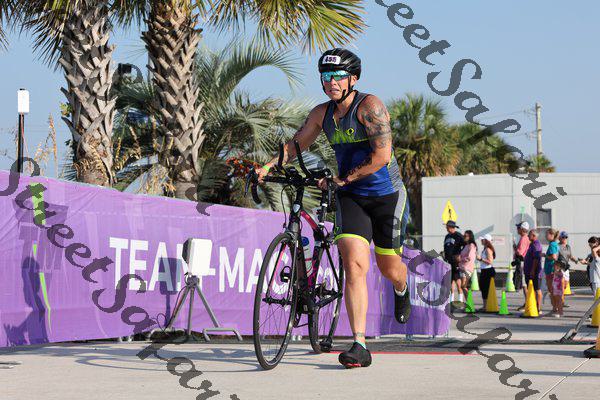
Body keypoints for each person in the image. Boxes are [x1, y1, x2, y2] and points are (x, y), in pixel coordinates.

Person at [256, 48, 410, 368]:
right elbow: (296, 144)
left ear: (353, 78)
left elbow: (381, 157)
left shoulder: (370, 107)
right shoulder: (321, 113)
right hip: (351, 196)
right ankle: (359, 344)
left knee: (388, 267)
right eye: (326, 77)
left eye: (338, 77)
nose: (331, 83)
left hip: (387, 196)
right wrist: (268, 167)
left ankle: (402, 287)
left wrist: (343, 178)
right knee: (353, 264)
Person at [443, 220, 464, 305]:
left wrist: (460, 255)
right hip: (448, 261)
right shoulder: (447, 236)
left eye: (447, 226)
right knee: (450, 280)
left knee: (457, 278)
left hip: (456, 261)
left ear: (452, 227)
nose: (446, 228)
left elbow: (465, 245)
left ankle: (460, 299)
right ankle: (451, 300)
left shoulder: (458, 235)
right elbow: (446, 247)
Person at [523, 229, 543, 313]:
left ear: (534, 236)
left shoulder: (536, 245)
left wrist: (532, 270)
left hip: (534, 272)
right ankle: (533, 306)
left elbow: (536, 259)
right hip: (528, 271)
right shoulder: (532, 244)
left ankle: (538, 308)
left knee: (537, 289)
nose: (528, 236)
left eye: (529, 235)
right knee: (531, 289)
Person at [557, 231, 578, 305]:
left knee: (565, 285)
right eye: (563, 237)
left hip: (566, 268)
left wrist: (575, 260)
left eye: (566, 237)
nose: (565, 238)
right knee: (561, 285)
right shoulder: (557, 246)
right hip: (560, 267)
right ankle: (561, 302)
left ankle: (560, 301)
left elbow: (570, 256)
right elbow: (555, 257)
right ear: (559, 238)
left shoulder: (568, 247)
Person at [513, 221, 530, 311]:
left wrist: (515, 248)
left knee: (524, 285)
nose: (517, 229)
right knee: (525, 284)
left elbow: (520, 252)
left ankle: (527, 303)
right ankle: (527, 302)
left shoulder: (523, 238)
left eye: (518, 227)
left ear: (522, 229)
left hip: (522, 263)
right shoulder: (526, 238)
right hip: (525, 262)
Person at [542, 229, 560, 314]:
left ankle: (555, 309)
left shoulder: (552, 244)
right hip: (552, 269)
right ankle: (555, 308)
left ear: (552, 235)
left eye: (547, 234)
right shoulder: (554, 244)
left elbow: (554, 257)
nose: (546, 236)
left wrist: (545, 255)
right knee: (553, 290)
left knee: (552, 290)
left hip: (551, 270)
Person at [476, 234, 496, 309]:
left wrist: (480, 259)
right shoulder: (485, 249)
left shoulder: (488, 249)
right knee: (483, 288)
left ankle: (486, 306)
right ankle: (485, 306)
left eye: (482, 239)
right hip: (484, 270)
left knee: (486, 289)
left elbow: (490, 261)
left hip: (488, 271)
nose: (481, 241)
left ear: (486, 241)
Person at [458, 230, 477, 301]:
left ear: (470, 237)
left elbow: (469, 258)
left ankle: (469, 302)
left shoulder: (472, 245)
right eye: (464, 236)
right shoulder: (466, 245)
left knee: (464, 286)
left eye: (465, 236)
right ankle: (469, 302)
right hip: (462, 267)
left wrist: (461, 259)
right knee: (463, 286)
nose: (464, 237)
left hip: (467, 268)